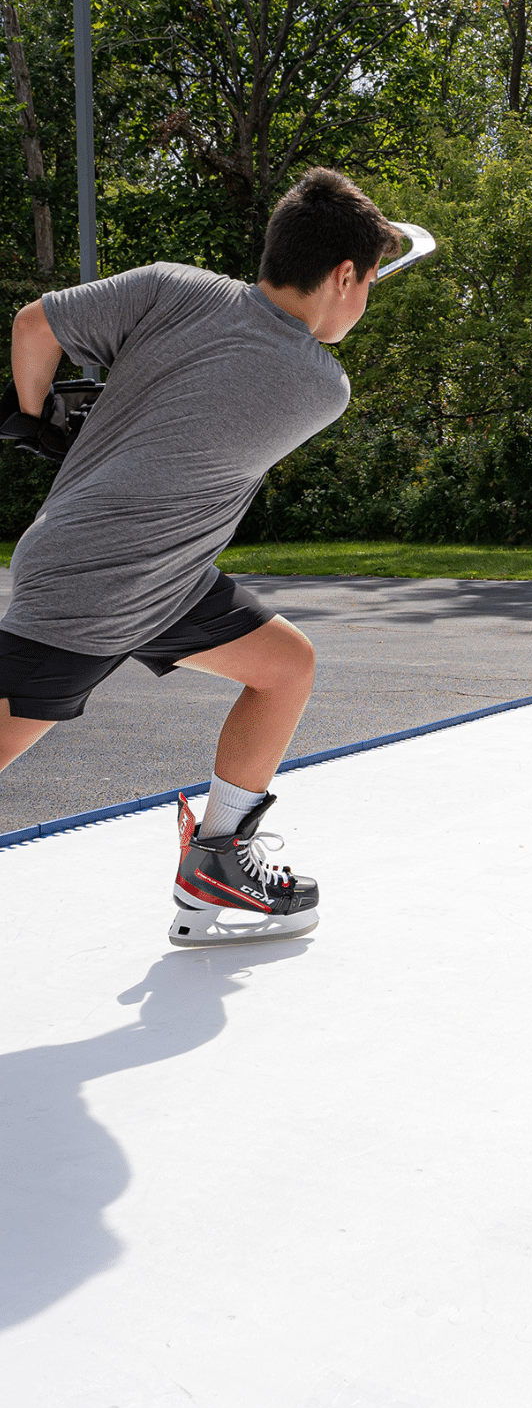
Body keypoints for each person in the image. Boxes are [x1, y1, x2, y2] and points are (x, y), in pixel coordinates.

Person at [0, 167, 405, 946]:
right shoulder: (321, 385)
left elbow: (32, 329)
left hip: (160, 574)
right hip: (102, 581)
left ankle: (219, 858)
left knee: (284, 665)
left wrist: (39, 422)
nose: (365, 302)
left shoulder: (170, 287)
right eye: (369, 284)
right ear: (344, 275)